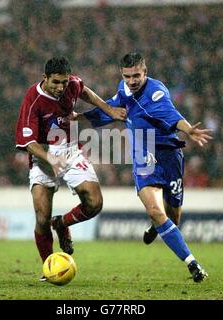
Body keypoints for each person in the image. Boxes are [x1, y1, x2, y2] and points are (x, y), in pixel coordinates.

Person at [80, 52, 212, 282]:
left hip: (170, 154)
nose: (132, 81)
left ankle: (156, 226)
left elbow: (172, 115)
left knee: (173, 216)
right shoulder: (124, 89)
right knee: (155, 210)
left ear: (145, 72)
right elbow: (109, 109)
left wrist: (188, 129)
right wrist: (75, 118)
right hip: (144, 154)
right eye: (127, 76)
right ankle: (193, 264)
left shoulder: (156, 93)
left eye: (136, 76)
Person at [14, 57, 126, 278]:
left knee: (95, 203)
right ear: (44, 77)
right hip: (42, 156)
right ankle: (49, 268)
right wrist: (50, 158)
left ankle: (62, 223)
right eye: (55, 82)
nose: (60, 87)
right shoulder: (33, 99)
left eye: (63, 83)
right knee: (41, 218)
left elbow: (84, 91)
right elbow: (28, 143)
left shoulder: (71, 84)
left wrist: (109, 109)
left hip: (71, 148)